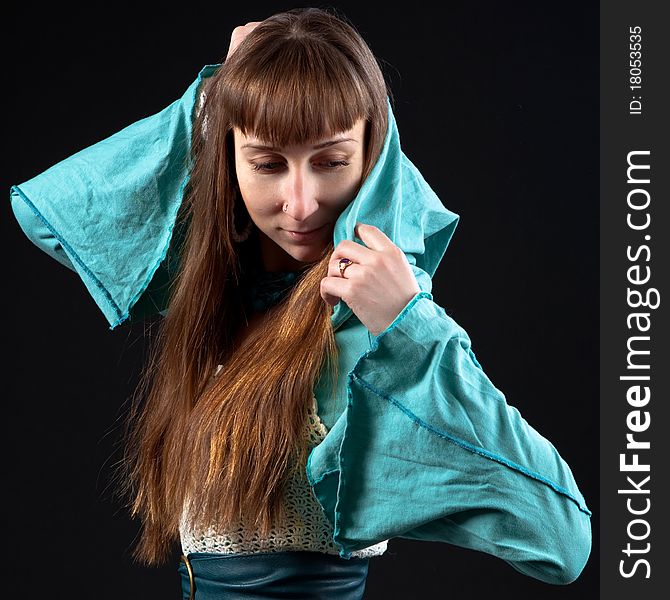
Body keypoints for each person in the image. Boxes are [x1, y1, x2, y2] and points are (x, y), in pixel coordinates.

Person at [9, 7, 592, 599]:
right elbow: (46, 217)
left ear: (372, 157)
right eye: (266, 163)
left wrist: (411, 326)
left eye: (331, 162)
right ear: (228, 158)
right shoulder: (220, 291)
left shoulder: (367, 322)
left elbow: (561, 540)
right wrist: (216, 98)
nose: (301, 204)